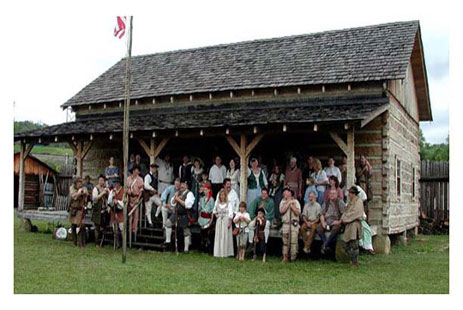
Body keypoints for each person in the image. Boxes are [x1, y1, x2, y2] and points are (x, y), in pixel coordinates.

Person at [165, 179, 195, 253]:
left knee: (186, 231)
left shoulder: (189, 194)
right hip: (176, 213)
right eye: (181, 184)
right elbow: (172, 203)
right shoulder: (178, 193)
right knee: (168, 223)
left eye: (183, 185)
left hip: (185, 214)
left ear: (187, 186)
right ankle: (168, 242)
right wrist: (175, 199)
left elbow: (188, 205)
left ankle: (186, 249)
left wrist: (178, 199)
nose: (181, 186)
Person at [341, 186, 365, 267]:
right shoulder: (351, 202)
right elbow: (346, 211)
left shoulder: (358, 202)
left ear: (353, 194)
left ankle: (355, 262)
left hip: (355, 225)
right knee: (345, 244)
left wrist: (346, 218)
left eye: (350, 193)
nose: (349, 195)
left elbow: (355, 213)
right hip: (349, 225)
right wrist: (344, 217)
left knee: (354, 244)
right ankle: (352, 259)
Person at [317, 188, 346, 253]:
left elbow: (344, 214)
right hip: (327, 221)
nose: (332, 195)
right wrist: (323, 222)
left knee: (336, 228)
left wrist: (339, 221)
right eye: (330, 194)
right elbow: (321, 214)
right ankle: (326, 245)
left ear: (337, 195)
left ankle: (325, 245)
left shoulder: (340, 202)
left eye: (333, 194)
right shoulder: (326, 203)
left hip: (336, 220)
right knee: (319, 227)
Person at [279, 187, 301, 263]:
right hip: (286, 224)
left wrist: (292, 206)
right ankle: (285, 256)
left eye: (287, 192)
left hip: (293, 224)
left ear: (290, 193)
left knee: (293, 242)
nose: (285, 194)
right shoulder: (282, 202)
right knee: (285, 242)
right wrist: (288, 203)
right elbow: (282, 211)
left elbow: (297, 212)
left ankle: (293, 257)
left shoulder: (296, 202)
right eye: (284, 192)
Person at [213, 189, 234, 257]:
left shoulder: (228, 204)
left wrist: (229, 221)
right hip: (219, 221)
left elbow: (231, 213)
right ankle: (218, 252)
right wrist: (216, 215)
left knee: (225, 236)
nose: (222, 196)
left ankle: (225, 252)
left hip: (226, 220)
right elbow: (214, 211)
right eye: (221, 195)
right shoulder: (217, 203)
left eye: (223, 195)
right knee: (219, 236)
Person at [68, 177, 88, 247]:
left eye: (81, 182)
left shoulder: (83, 188)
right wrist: (79, 193)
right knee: (73, 225)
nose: (80, 183)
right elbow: (74, 196)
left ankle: (82, 243)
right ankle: (74, 241)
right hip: (74, 209)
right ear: (76, 182)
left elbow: (86, 193)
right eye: (79, 182)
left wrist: (83, 192)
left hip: (80, 209)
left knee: (81, 226)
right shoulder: (72, 188)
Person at [126, 165, 144, 240]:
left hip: (136, 198)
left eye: (137, 170)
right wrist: (128, 191)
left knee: (135, 216)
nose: (135, 171)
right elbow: (126, 188)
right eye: (134, 170)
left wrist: (138, 199)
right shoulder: (128, 179)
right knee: (129, 216)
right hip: (129, 198)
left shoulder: (140, 179)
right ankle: (129, 230)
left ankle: (134, 232)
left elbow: (141, 190)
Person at [91, 175, 110, 247]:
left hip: (104, 210)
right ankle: (96, 242)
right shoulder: (96, 189)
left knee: (104, 227)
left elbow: (108, 198)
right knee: (97, 227)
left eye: (102, 180)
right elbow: (95, 198)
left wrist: (107, 192)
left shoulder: (105, 188)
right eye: (100, 180)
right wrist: (102, 193)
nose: (101, 182)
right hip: (97, 210)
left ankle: (102, 241)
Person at [198, 183, 215, 253]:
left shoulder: (211, 199)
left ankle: (207, 248)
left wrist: (211, 220)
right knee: (202, 234)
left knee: (207, 234)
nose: (205, 191)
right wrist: (199, 217)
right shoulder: (202, 199)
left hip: (208, 218)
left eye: (206, 190)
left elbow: (212, 211)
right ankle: (202, 247)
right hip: (202, 218)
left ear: (209, 190)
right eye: (204, 190)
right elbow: (200, 209)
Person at [108, 177, 124, 248]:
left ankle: (124, 243)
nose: (115, 185)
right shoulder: (112, 191)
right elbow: (109, 201)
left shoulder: (124, 191)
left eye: (117, 183)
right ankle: (116, 243)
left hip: (121, 212)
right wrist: (112, 199)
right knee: (114, 229)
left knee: (122, 228)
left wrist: (118, 202)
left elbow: (124, 203)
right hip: (114, 211)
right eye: (115, 183)